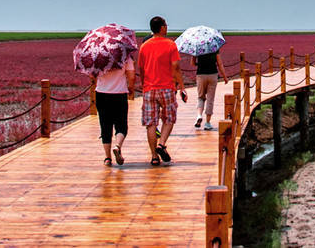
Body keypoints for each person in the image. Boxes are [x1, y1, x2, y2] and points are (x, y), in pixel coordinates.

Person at [136, 16, 187, 166]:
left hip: (149, 89)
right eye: (166, 25)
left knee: (150, 123)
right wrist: (182, 86)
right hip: (166, 88)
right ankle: (162, 143)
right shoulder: (170, 45)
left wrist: (144, 84)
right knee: (169, 118)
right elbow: (176, 68)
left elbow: (141, 68)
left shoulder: (144, 46)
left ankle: (153, 156)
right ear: (162, 27)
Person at [94, 54, 135, 167]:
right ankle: (117, 146)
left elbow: (93, 75)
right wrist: (131, 88)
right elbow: (131, 76)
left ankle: (107, 158)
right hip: (119, 93)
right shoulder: (125, 56)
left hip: (101, 93)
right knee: (121, 124)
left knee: (105, 125)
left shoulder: (98, 55)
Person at [192, 50, 228, 131]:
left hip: (201, 74)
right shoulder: (214, 48)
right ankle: (207, 123)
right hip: (212, 74)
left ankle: (199, 115)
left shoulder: (197, 48)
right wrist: (225, 77)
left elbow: (193, 63)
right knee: (210, 99)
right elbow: (220, 63)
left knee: (201, 97)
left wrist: (199, 63)